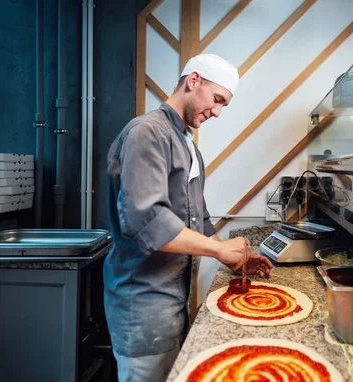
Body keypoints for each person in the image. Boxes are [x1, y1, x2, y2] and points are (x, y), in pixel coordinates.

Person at [103, 53, 273, 382]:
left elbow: (200, 222)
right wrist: (218, 251)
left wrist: (233, 259)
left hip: (174, 305)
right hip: (143, 305)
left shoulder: (189, 147)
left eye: (225, 104)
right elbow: (146, 222)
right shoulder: (146, 133)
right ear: (193, 81)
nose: (218, 112)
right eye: (217, 99)